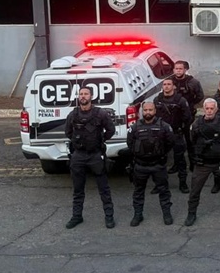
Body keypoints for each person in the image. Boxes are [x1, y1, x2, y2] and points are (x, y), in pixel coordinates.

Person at [64, 87, 116, 229]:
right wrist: (77, 142)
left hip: (95, 154)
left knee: (104, 188)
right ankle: (77, 216)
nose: (83, 96)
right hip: (78, 155)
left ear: (91, 96)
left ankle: (109, 216)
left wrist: (99, 140)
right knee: (78, 189)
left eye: (86, 94)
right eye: (81, 94)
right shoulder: (73, 114)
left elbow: (111, 130)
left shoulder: (100, 113)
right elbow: (68, 131)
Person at [184, 98, 220, 226]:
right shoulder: (196, 124)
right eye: (207, 108)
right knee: (194, 191)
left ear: (216, 109)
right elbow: (192, 142)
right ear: (203, 109)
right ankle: (191, 214)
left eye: (212, 108)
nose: (209, 111)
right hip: (202, 164)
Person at [126, 100, 176, 226]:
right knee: (138, 192)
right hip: (140, 165)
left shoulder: (164, 126)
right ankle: (138, 215)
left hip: (158, 165)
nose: (148, 112)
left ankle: (167, 214)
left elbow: (170, 142)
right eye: (145, 110)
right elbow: (130, 144)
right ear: (142, 112)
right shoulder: (134, 127)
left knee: (164, 191)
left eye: (150, 110)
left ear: (155, 111)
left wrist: (160, 153)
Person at [153, 77, 192, 194]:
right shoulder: (157, 100)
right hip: (161, 134)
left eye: (169, 84)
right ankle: (159, 185)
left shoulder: (180, 100)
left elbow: (187, 117)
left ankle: (183, 183)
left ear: (174, 86)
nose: (166, 86)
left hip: (176, 133)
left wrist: (182, 129)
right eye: (164, 84)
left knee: (180, 160)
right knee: (159, 160)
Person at [172, 60, 204, 170]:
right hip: (174, 116)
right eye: (176, 69)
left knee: (190, 140)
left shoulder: (193, 82)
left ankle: (193, 163)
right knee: (176, 142)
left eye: (180, 69)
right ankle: (177, 164)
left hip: (188, 115)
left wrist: (190, 104)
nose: (178, 71)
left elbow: (200, 95)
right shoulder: (170, 82)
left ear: (185, 70)